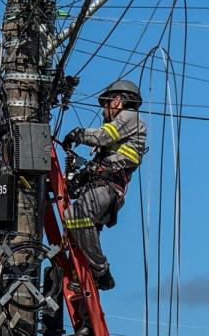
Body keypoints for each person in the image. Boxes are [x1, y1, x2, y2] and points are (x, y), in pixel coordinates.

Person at [61, 78, 147, 291]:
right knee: (80, 235)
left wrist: (77, 134)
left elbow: (103, 136)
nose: (103, 112)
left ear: (117, 101)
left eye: (105, 105)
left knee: (75, 216)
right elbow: (102, 162)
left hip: (107, 189)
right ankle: (86, 279)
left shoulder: (130, 117)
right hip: (102, 189)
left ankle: (101, 272)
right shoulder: (125, 128)